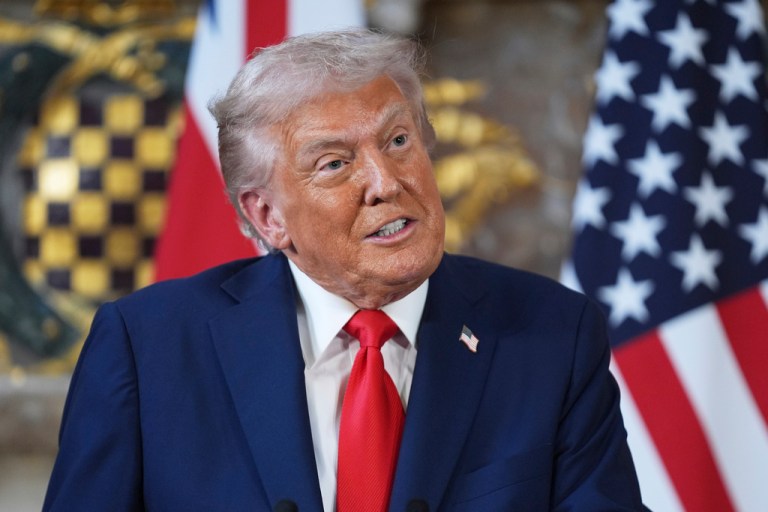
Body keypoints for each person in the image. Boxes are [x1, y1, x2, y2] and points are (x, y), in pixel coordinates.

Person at [43, 29, 644, 512]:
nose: (386, 183)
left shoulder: (553, 335)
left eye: (399, 140)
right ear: (268, 216)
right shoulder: (149, 347)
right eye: (334, 164)